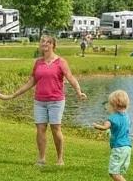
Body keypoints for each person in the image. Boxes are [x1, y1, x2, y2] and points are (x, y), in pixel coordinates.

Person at [7, 33, 86, 168]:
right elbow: (32, 81)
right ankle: (42, 158)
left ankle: (60, 158)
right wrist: (15, 94)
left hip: (56, 101)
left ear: (52, 45)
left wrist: (78, 91)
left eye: (46, 42)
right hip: (40, 101)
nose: (43, 44)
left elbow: (70, 77)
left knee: (56, 128)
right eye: (42, 42)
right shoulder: (38, 62)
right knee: (40, 129)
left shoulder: (60, 62)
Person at [95, 89, 133, 181]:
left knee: (113, 172)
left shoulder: (112, 118)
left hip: (118, 148)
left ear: (114, 105)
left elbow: (105, 127)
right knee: (120, 173)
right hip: (127, 148)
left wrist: (99, 126)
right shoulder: (127, 116)